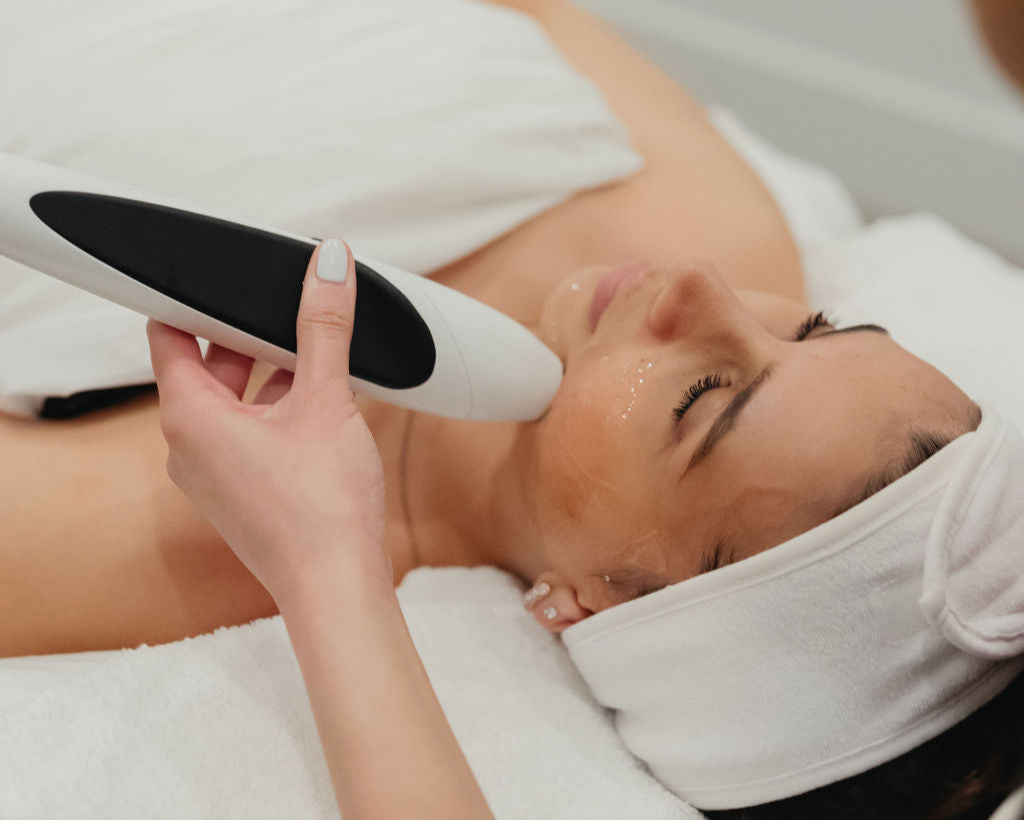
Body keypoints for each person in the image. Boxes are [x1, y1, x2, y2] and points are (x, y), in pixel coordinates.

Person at [1, 1, 1021, 817]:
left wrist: (323, 570)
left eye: (703, 398)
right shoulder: (721, 231)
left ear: (585, 608)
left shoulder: (175, 530)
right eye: (817, 328)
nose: (700, 286)